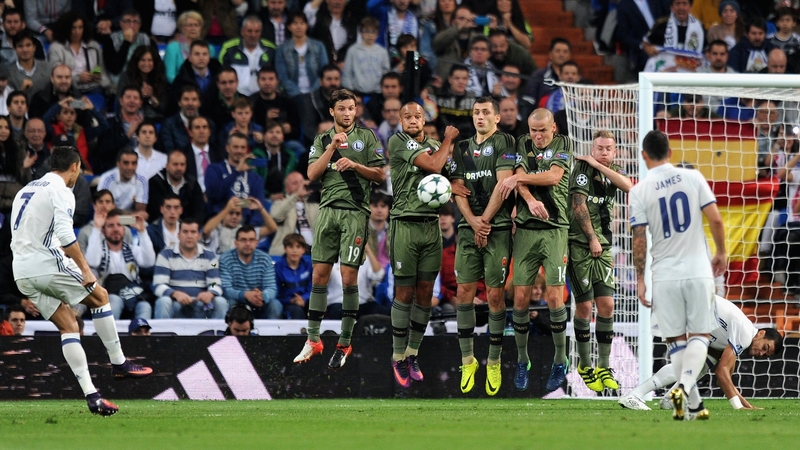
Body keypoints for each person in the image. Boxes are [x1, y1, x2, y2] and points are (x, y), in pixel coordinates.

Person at [11, 145, 152, 416]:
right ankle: (120, 363)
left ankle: (93, 396)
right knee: (101, 297)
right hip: (46, 263)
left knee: (69, 325)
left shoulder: (25, 190)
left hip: (22, 271)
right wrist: (85, 270)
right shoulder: (61, 190)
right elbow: (65, 235)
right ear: (74, 167)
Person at [630, 130, 727, 421]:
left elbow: (639, 239)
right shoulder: (693, 177)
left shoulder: (639, 190)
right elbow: (716, 220)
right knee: (700, 336)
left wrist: (640, 279)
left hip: (664, 275)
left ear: (644, 156)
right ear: (670, 152)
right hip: (698, 271)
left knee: (676, 342)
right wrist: (721, 252)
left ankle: (693, 407)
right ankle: (684, 389)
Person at [292, 88, 385, 369]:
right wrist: (332, 147)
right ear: (332, 112)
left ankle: (344, 342)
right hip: (327, 213)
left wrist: (355, 165)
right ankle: (313, 339)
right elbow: (311, 174)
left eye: (351, 108)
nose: (347, 113)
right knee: (319, 276)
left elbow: (380, 175)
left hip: (355, 213)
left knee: (347, 279)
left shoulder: (368, 137)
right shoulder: (322, 139)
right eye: (342, 108)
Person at [495, 108, 571, 392]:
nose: (538, 136)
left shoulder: (563, 145)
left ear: (553, 128)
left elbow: (553, 177)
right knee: (520, 298)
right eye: (533, 131)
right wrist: (525, 196)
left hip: (554, 228)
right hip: (526, 229)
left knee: (554, 296)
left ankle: (560, 360)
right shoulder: (523, 143)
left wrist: (519, 181)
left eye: (543, 130)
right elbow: (518, 174)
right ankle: (522, 360)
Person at [388, 102, 459, 388]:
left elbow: (450, 169)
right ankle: (397, 355)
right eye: (408, 116)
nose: (413, 120)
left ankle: (412, 353)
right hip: (404, 224)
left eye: (418, 116)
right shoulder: (398, 141)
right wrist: (448, 140)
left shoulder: (432, 144)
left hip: (431, 226)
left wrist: (457, 185)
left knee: (426, 292)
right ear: (401, 120)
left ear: (424, 118)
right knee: (404, 292)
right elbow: (433, 165)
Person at [450, 96, 516, 396]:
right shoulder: (461, 147)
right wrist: (473, 222)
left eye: (486, 112)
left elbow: (504, 185)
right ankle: (467, 359)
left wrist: (485, 220)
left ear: (497, 117)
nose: (480, 117)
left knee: (494, 295)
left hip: (498, 228)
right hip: (468, 228)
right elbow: (457, 190)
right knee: (463, 292)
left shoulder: (505, 142)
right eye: (476, 112)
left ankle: (493, 359)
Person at [620, 296, 783, 411]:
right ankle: (634, 396)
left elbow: (726, 381)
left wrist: (747, 406)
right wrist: (739, 407)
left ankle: (671, 399)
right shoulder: (745, 335)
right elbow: (721, 373)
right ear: (761, 333)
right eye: (765, 348)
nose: (761, 353)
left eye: (765, 354)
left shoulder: (736, 337)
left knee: (704, 363)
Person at [564, 130, 632, 392]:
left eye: (608, 149)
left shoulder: (610, 170)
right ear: (592, 150)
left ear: (614, 152)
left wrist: (600, 166)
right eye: (599, 149)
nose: (604, 153)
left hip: (603, 247)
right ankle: (584, 364)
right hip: (580, 245)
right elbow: (579, 205)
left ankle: (603, 366)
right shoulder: (581, 169)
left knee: (607, 305)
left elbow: (629, 187)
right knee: (584, 307)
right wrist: (591, 238)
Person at [85, 208, 156, 319]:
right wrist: (97, 228)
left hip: (131, 294)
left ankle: (142, 336)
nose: (115, 229)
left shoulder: (133, 250)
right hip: (107, 294)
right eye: (110, 226)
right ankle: (111, 336)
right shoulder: (98, 250)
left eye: (119, 225)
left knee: (145, 306)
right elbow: (92, 262)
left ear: (124, 229)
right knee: (115, 300)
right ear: (104, 231)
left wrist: (142, 231)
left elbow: (149, 262)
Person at [153, 218, 228, 319]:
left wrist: (210, 293)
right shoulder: (165, 255)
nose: (189, 236)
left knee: (221, 302)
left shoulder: (210, 256)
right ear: (178, 235)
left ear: (198, 235)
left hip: (202, 305)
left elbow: (216, 284)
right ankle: (163, 335)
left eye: (193, 232)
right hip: (175, 304)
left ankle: (219, 334)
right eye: (185, 232)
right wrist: (175, 294)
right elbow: (158, 285)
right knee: (163, 301)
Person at [205, 132, 269, 226]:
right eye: (235, 147)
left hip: (245, 225)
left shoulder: (255, 178)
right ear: (227, 148)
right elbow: (215, 196)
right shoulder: (215, 169)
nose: (239, 151)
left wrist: (250, 228)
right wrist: (237, 171)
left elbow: (257, 205)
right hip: (219, 222)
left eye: (243, 148)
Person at [220, 225, 281, 319]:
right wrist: (245, 294)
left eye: (251, 240)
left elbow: (271, 288)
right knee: (230, 302)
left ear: (256, 243)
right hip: (238, 300)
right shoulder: (226, 259)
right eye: (243, 240)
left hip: (259, 301)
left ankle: (271, 333)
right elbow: (226, 290)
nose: (248, 244)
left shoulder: (265, 259)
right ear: (236, 243)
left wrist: (262, 296)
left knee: (275, 304)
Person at [46, 12, 111, 99]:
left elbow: (100, 68)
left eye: (80, 27)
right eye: (74, 28)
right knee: (78, 105)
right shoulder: (56, 48)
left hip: (93, 86)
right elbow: (55, 75)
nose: (77, 32)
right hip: (69, 88)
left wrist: (96, 75)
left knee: (98, 98)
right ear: (66, 28)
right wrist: (78, 78)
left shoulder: (93, 45)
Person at [275, 12, 330, 99]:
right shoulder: (282, 49)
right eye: (295, 23)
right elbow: (282, 76)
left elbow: (324, 73)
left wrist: (312, 93)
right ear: (289, 27)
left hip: (316, 94)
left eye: (302, 23)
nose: (299, 27)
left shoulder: (319, 46)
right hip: (291, 95)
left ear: (307, 26)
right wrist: (298, 94)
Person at [219, 15, 277, 97]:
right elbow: (220, 72)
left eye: (257, 31)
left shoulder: (271, 49)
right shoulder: (228, 48)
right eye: (249, 31)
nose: (253, 35)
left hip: (262, 96)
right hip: (237, 96)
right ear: (242, 31)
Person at [202, 196, 277, 255]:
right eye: (231, 213)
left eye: (238, 214)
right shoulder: (215, 229)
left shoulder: (246, 232)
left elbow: (272, 228)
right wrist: (227, 209)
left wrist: (261, 209)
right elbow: (206, 231)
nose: (234, 217)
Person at [268, 171, 320, 256]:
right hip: (286, 252)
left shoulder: (314, 206)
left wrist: (322, 191)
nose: (300, 185)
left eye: (301, 182)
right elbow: (276, 216)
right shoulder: (280, 203)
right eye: (295, 183)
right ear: (286, 189)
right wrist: (296, 196)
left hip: (314, 252)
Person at [147, 150, 206, 223]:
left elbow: (199, 211)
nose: (179, 168)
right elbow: (155, 211)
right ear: (167, 166)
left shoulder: (192, 183)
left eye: (182, 165)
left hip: (187, 228)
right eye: (175, 164)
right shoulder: (155, 182)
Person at [116, 46, 168, 120]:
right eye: (142, 60)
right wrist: (140, 96)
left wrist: (151, 97)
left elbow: (164, 108)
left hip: (155, 119)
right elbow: (120, 103)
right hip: (131, 118)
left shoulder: (160, 78)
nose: (146, 64)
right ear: (136, 61)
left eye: (150, 60)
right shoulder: (126, 77)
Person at [341, 17, 390, 96]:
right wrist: (351, 90)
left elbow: (386, 72)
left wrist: (382, 89)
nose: (370, 35)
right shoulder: (353, 50)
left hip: (377, 94)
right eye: (366, 31)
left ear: (378, 34)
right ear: (360, 32)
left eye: (373, 32)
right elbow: (347, 74)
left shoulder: (382, 52)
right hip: (357, 93)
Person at [78, 190, 133, 254]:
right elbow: (82, 260)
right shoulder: (84, 232)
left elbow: (130, 257)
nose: (104, 205)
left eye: (108, 202)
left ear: (113, 206)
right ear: (94, 206)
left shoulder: (125, 231)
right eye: (100, 202)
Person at [97, 148, 149, 214]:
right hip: (109, 219)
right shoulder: (107, 178)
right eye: (126, 163)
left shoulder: (142, 180)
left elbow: (140, 212)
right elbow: (103, 208)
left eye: (134, 163)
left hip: (131, 220)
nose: (130, 167)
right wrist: (128, 214)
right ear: (118, 164)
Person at [275, 233, 313, 319]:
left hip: (306, 300)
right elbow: (277, 293)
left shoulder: (309, 266)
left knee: (317, 306)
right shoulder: (278, 268)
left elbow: (312, 288)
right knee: (296, 310)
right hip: (288, 303)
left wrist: (303, 298)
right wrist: (291, 300)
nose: (294, 250)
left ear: (303, 250)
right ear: (285, 249)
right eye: (291, 247)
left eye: (298, 247)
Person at [164, 11, 206, 84]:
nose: (193, 28)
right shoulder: (173, 48)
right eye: (189, 25)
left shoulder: (208, 48)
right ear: (182, 28)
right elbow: (169, 75)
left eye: (196, 25)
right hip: (180, 88)